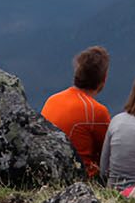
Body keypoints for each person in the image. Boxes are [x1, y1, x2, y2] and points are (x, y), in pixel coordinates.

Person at [41, 46, 111, 178]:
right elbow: (108, 155)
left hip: (49, 171)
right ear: (104, 78)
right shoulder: (95, 111)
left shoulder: (52, 99)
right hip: (80, 178)